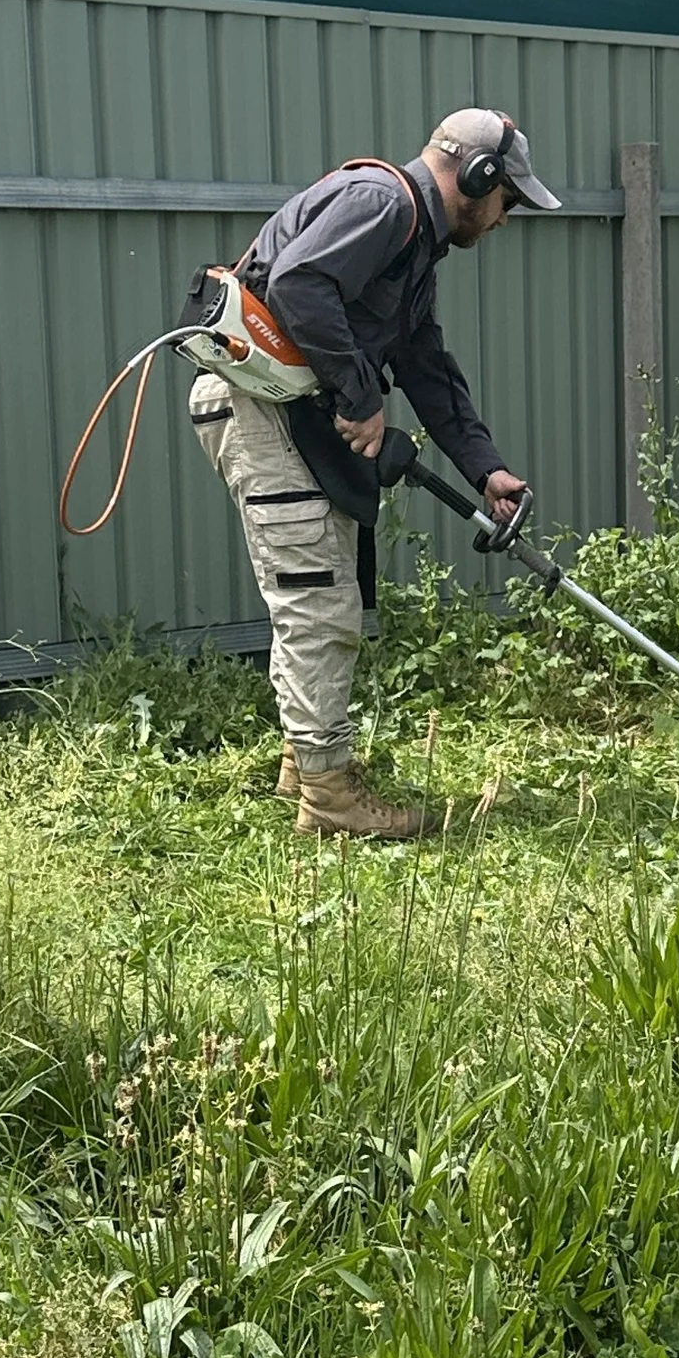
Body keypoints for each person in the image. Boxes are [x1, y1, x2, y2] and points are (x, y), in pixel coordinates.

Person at [187, 109, 558, 838]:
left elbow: (424, 365)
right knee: (318, 602)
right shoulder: (383, 204)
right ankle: (330, 802)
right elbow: (298, 284)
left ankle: (305, 764)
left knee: (328, 590)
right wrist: (360, 397)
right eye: (507, 200)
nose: (505, 218)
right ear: (477, 178)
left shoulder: (415, 248)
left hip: (280, 412)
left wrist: (488, 469)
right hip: (257, 409)